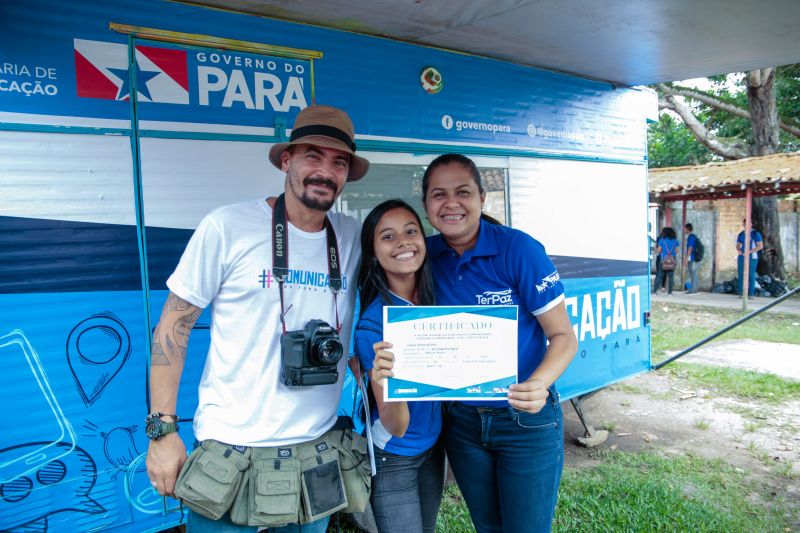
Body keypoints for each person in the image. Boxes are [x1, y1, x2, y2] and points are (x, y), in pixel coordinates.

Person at [145, 105, 370, 532]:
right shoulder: (227, 226)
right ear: (286, 160)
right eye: (313, 156)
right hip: (231, 449)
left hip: (316, 447)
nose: (326, 171)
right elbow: (173, 326)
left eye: (339, 162)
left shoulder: (353, 236)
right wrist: (162, 431)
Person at [420, 154, 578, 533]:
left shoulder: (519, 251)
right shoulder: (423, 256)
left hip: (523, 420)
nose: (451, 203)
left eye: (463, 192)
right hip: (461, 423)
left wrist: (539, 384)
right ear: (425, 205)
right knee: (488, 527)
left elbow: (563, 337)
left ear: (482, 197)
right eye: (438, 194)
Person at [353, 199, 445, 533]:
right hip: (396, 455)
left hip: (434, 447)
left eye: (411, 231)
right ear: (373, 252)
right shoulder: (374, 327)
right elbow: (398, 426)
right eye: (387, 237)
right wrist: (388, 384)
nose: (403, 242)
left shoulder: (440, 303)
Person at [737, 218, 764, 297]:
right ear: (744, 224)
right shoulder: (741, 234)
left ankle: (751, 293)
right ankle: (741, 292)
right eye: (745, 224)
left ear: (751, 224)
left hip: (752, 257)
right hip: (742, 256)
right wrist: (738, 249)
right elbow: (738, 244)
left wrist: (750, 252)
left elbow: (760, 246)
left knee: (751, 274)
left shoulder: (756, 234)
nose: (747, 225)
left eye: (749, 223)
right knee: (741, 274)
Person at [652, 227, 679, 296]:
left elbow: (659, 250)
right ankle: (670, 293)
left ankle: (654, 292)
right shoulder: (675, 241)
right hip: (672, 261)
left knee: (660, 276)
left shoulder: (662, 240)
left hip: (663, 260)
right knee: (671, 277)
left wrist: (657, 250)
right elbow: (676, 251)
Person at [684, 223, 698, 294]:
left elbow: (690, 248)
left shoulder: (690, 237)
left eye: (685, 228)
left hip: (691, 257)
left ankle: (692, 290)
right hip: (694, 257)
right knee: (694, 273)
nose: (684, 230)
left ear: (687, 229)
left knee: (692, 273)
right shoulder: (694, 236)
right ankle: (695, 289)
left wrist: (686, 258)